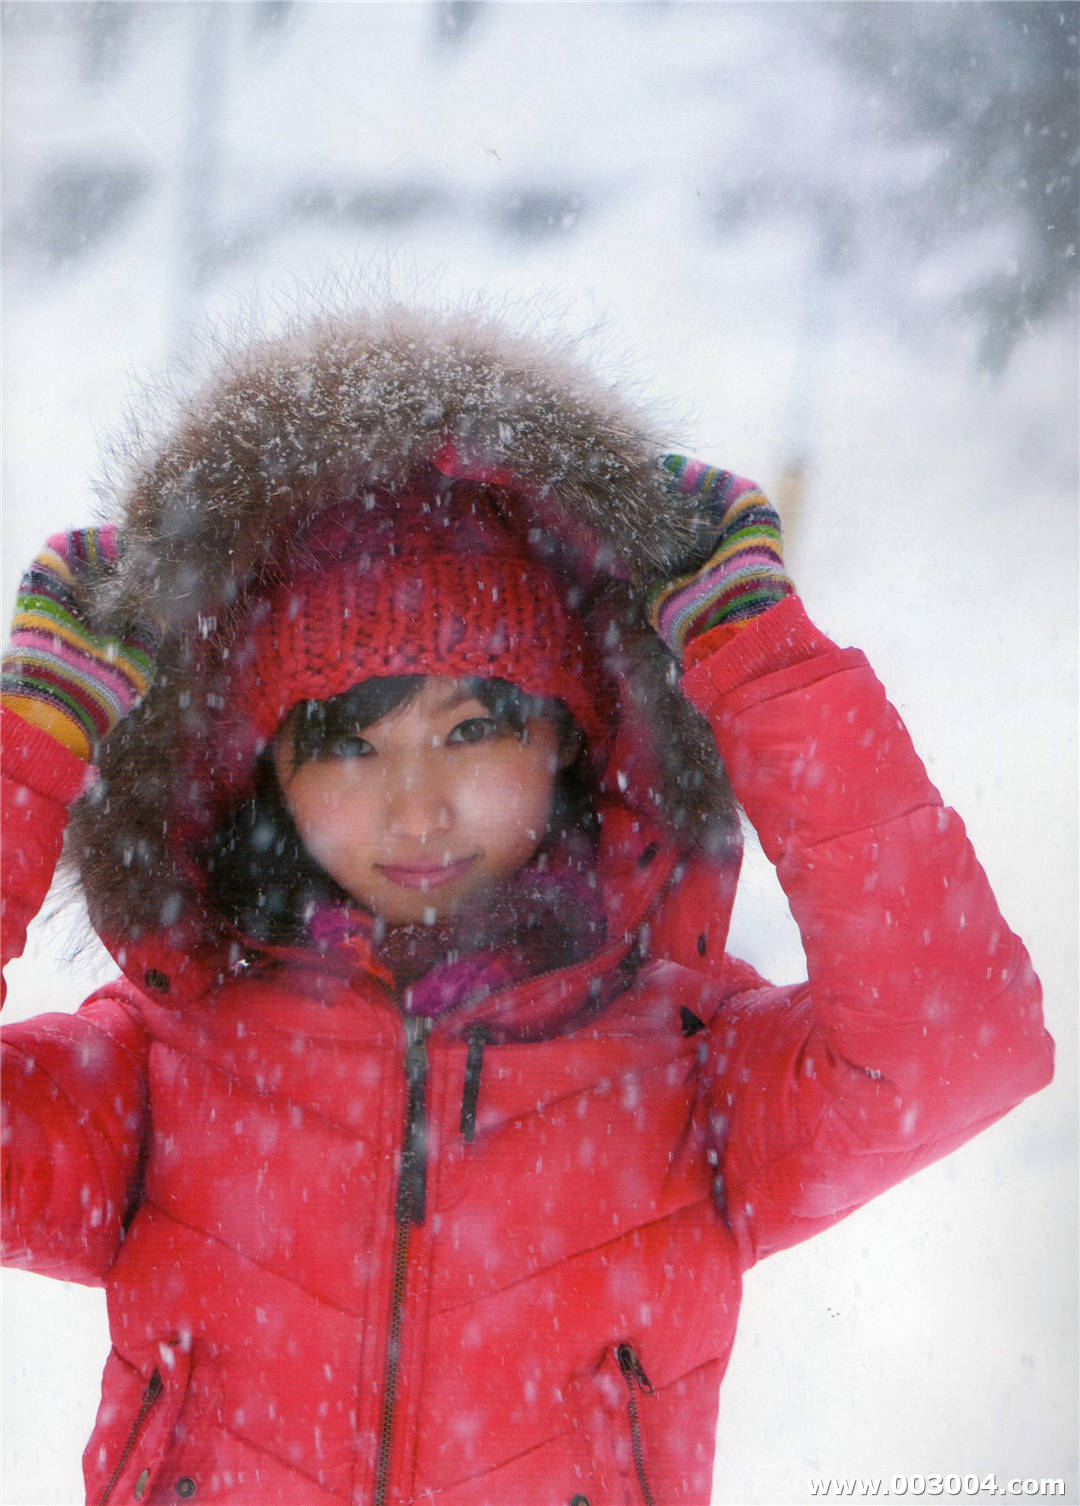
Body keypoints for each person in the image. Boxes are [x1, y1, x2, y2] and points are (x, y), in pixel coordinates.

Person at [0, 305, 1053, 1506]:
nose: (417, 809)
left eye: (475, 727)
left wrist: (758, 662)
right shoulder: (162, 1070)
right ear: (261, 776)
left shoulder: (685, 1071)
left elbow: (956, 1045)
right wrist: (32, 747)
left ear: (570, 740)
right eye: (349, 745)